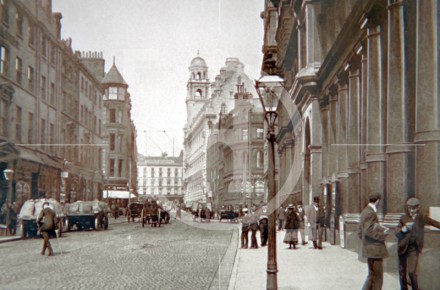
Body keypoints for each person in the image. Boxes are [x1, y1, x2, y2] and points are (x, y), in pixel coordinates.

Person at [396, 197, 440, 290]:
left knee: (412, 271)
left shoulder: (422, 217)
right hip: (403, 247)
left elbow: (434, 223)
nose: (411, 210)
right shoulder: (403, 218)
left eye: (414, 208)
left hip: (413, 248)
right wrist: (402, 230)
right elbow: (397, 232)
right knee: (402, 272)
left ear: (418, 208)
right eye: (409, 208)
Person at [358, 193, 389, 290]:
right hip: (375, 250)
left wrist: (366, 243)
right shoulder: (371, 213)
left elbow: (360, 231)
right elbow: (368, 231)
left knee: (371, 275)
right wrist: (382, 235)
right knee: (378, 278)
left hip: (369, 249)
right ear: (378, 201)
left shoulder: (365, 211)